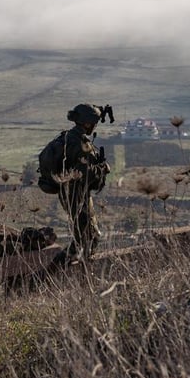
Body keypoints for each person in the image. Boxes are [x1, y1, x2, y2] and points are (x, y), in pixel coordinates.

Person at [54, 103, 111, 263]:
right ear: (86, 123)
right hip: (77, 194)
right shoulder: (80, 143)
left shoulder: (67, 137)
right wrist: (103, 168)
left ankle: (71, 261)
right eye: (93, 122)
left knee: (84, 233)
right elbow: (85, 174)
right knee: (90, 235)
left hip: (69, 192)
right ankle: (64, 266)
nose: (94, 126)